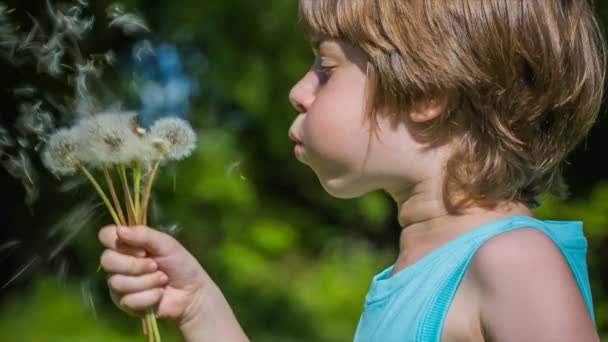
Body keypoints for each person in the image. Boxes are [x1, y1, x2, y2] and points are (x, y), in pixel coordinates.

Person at [98, 0, 607, 341]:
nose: (299, 92)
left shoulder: (514, 262)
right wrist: (199, 308)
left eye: (325, 67)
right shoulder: (415, 274)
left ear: (425, 93)